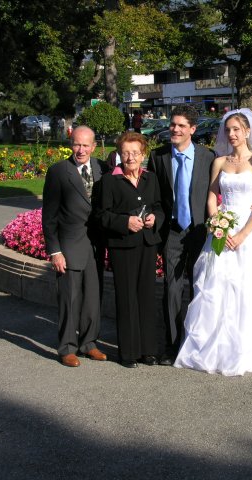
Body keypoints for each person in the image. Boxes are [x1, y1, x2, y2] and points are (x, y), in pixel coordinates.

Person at [174, 109, 252, 376]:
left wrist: (243, 234)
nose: (232, 134)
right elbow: (212, 197)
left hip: (248, 231)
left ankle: (248, 350)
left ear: (247, 132)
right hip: (222, 231)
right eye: (228, 130)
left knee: (248, 287)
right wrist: (218, 226)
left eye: (237, 129)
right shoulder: (219, 162)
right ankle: (211, 349)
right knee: (217, 286)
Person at [147, 105, 215, 361]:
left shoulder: (208, 157)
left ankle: (197, 344)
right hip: (172, 231)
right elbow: (154, 195)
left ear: (193, 130)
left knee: (200, 287)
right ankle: (172, 345)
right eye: (173, 124)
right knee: (171, 289)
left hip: (199, 231)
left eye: (181, 126)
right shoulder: (159, 156)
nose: (174, 129)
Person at [93, 132, 165, 368]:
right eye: (126, 152)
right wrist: (125, 222)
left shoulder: (150, 178)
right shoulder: (108, 181)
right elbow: (101, 215)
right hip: (122, 246)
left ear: (143, 154)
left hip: (147, 244)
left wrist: (155, 217)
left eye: (135, 152)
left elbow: (159, 206)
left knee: (146, 296)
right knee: (126, 297)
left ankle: (148, 350)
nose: (130, 157)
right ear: (119, 154)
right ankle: (128, 353)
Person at [42, 126, 109, 367]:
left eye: (85, 145)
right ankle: (67, 348)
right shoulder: (59, 171)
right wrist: (55, 251)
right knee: (70, 300)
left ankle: (89, 344)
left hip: (95, 246)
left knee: (92, 299)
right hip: (69, 247)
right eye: (76, 144)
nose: (80, 150)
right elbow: (48, 216)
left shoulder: (104, 169)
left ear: (93, 146)